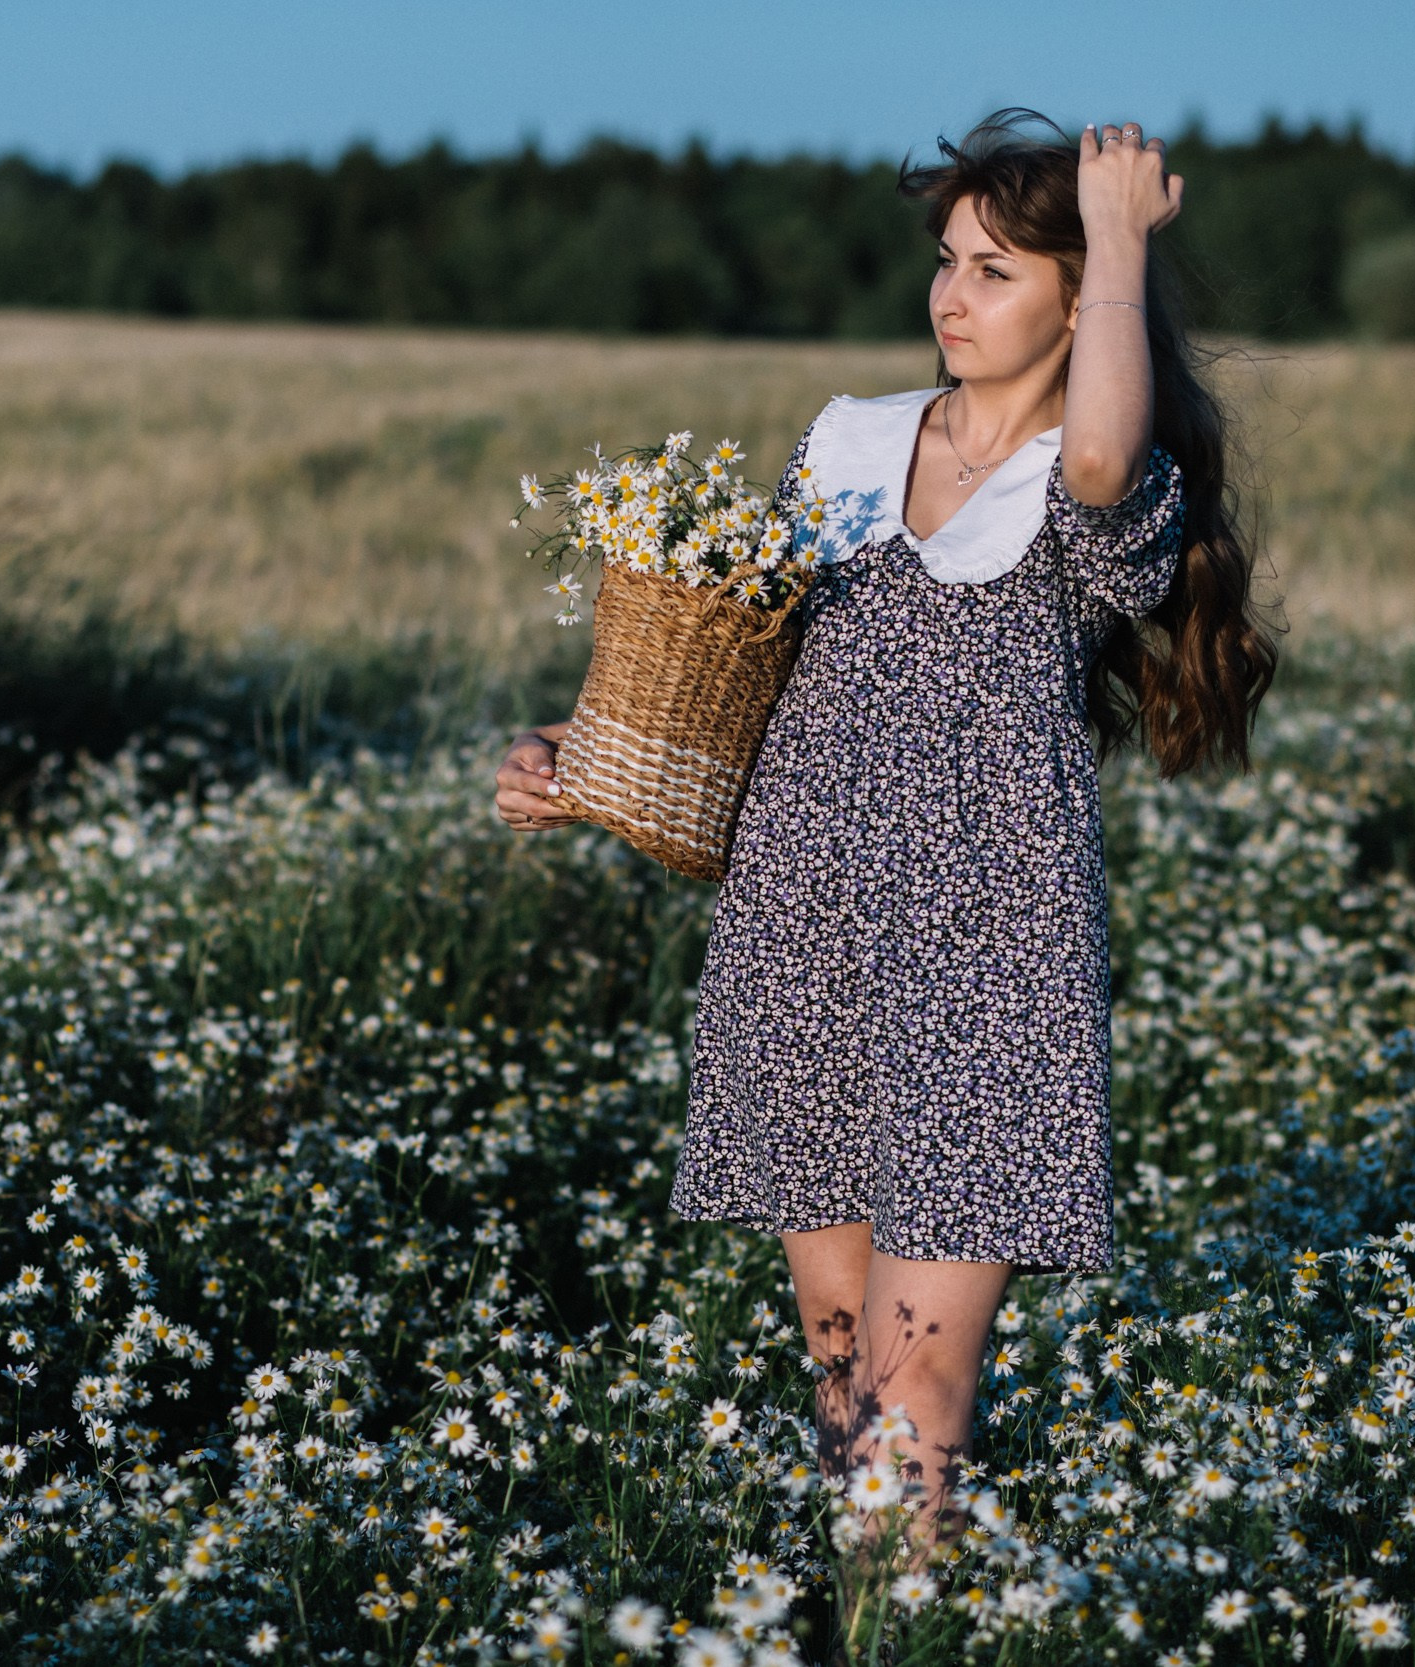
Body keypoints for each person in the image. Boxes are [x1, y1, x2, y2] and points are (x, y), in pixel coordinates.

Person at [492, 110, 1278, 1575]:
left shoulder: (1098, 483)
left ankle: (899, 1618)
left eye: (996, 270)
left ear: (1076, 298)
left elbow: (1103, 449)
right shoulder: (849, 450)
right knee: (847, 1369)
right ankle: (872, 1617)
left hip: (989, 968)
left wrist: (1120, 242)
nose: (952, 296)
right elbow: (735, 661)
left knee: (922, 1388)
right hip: (799, 937)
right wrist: (575, 756)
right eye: (946, 262)